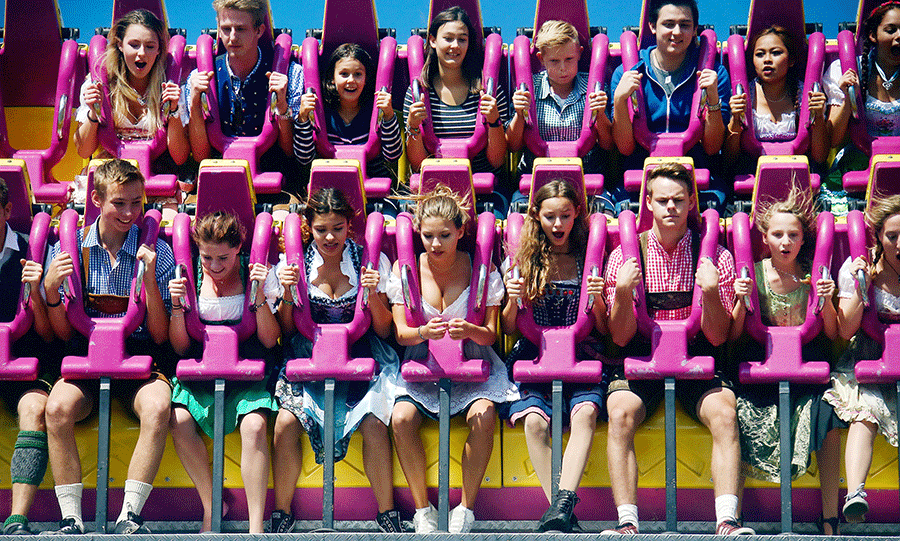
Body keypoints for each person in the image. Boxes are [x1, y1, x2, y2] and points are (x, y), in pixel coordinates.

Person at [602, 162, 751, 535]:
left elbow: (717, 337)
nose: (671, 207)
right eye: (663, 200)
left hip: (697, 359)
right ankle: (627, 524)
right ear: (647, 203)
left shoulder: (715, 255)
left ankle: (727, 521)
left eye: (679, 200)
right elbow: (619, 338)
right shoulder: (625, 254)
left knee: (725, 413)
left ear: (691, 204)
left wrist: (713, 293)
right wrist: (621, 293)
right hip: (642, 359)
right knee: (619, 412)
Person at [42, 159, 175, 534]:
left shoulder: (157, 252)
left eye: (137, 202)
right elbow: (62, 334)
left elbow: (161, 335)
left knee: (158, 406)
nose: (130, 212)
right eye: (120, 202)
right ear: (97, 199)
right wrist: (52, 292)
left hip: (138, 358)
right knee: (57, 408)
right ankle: (71, 517)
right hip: (88, 358)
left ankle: (129, 515)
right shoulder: (69, 251)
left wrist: (149, 282)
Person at [270, 188, 406, 533]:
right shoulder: (294, 263)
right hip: (309, 354)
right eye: (321, 229)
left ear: (350, 226)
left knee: (375, 423)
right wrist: (287, 294)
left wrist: (372, 293)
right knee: (286, 422)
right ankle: (282, 510)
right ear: (309, 229)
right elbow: (285, 330)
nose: (329, 237)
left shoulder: (368, 260)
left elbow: (384, 328)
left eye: (337, 228)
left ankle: (387, 512)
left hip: (361, 352)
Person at [388, 185, 518, 533]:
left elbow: (491, 333)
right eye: (428, 236)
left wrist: (469, 331)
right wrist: (423, 334)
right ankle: (421, 509)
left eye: (445, 235)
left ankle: (466, 507)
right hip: (423, 360)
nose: (436, 244)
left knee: (484, 413)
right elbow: (401, 333)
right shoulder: (406, 270)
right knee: (400, 418)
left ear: (460, 231)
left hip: (474, 359)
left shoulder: (480, 270)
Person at [729, 186, 844, 535]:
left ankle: (829, 517)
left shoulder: (813, 275)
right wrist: (739, 302)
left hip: (804, 371)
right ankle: (735, 516)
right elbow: (734, 336)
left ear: (802, 239)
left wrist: (827, 301)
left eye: (792, 235)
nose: (785, 242)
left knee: (830, 414)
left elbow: (835, 333)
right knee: (735, 412)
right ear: (764, 238)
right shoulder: (755, 273)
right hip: (761, 370)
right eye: (777, 234)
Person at [500, 179, 608, 532]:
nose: (558, 225)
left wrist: (600, 299)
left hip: (580, 351)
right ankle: (562, 511)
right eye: (550, 217)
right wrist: (512, 299)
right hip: (535, 352)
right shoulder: (524, 259)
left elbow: (603, 327)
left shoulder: (586, 258)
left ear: (578, 214)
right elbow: (508, 327)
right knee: (534, 422)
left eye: (565, 215)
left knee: (586, 413)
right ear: (536, 216)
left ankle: (561, 507)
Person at [167, 211, 280, 533]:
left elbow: (270, 339)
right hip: (203, 369)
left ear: (239, 249)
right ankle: (212, 504)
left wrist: (258, 296)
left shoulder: (254, 273)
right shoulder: (188, 277)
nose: (215, 266)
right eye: (207, 258)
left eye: (224, 258)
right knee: (179, 420)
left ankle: (256, 526)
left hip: (248, 367)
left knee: (255, 426)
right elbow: (178, 347)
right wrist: (177, 306)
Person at [610, 0, 731, 210]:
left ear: (695, 30)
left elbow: (712, 147)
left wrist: (712, 99)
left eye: (684, 25)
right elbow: (625, 147)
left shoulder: (715, 73)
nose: (676, 32)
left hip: (697, 178)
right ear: (652, 26)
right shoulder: (625, 72)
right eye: (668, 24)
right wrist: (620, 100)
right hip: (639, 177)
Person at [827, 194, 900, 525]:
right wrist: (861, 288)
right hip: (868, 359)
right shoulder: (860, 267)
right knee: (865, 412)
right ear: (879, 237)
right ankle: (856, 493)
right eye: (893, 236)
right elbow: (845, 329)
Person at [182, 0, 302, 191]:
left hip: (276, 184)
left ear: (259, 30)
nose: (232, 37)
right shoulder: (199, 77)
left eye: (241, 29)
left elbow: (288, 151)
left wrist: (282, 107)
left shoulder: (289, 73)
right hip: (217, 179)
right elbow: (200, 154)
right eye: (226, 29)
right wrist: (195, 103)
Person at [0, 179, 59, 535]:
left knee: (35, 410)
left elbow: (48, 333)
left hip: (26, 362)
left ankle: (17, 519)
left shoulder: (31, 252)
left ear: (7, 211)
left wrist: (36, 293)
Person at [505, 21, 613, 208]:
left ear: (579, 53)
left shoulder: (593, 86)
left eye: (569, 59)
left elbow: (608, 144)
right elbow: (513, 145)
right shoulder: (529, 87)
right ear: (541, 58)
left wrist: (600, 114)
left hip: (586, 177)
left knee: (606, 213)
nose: (563, 68)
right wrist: (519, 114)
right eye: (554, 61)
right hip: (536, 179)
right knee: (518, 215)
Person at [403, 7, 509, 192]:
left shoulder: (488, 91)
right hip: (434, 191)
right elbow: (418, 163)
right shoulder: (417, 93)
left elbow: (497, 160)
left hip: (483, 192)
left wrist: (494, 120)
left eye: (462, 39)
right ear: (433, 41)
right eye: (448, 38)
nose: (455, 46)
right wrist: (413, 126)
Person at [75, 9, 189, 170]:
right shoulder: (99, 84)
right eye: (134, 45)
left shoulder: (171, 86)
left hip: (156, 171)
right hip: (111, 172)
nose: (141, 53)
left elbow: (180, 157)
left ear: (159, 50)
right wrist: (94, 113)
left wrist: (174, 110)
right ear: (120, 45)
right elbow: (83, 150)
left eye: (150, 46)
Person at [823, 1, 900, 213]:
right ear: (874, 36)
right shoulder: (848, 68)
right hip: (859, 164)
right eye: (891, 30)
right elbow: (833, 138)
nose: (899, 35)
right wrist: (849, 97)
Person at [293, 43, 402, 184]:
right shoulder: (321, 112)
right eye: (344, 74)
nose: (351, 80)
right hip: (329, 185)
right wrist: (303, 118)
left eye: (358, 74)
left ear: (366, 78)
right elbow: (304, 157)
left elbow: (393, 155)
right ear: (332, 78)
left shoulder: (375, 111)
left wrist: (388, 116)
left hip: (372, 182)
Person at [726, 26, 828, 165]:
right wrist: (736, 120)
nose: (767, 59)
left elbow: (820, 157)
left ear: (791, 60)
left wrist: (818, 116)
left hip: (798, 170)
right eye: (760, 54)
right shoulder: (743, 95)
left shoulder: (806, 94)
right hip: (752, 172)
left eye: (776, 53)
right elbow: (729, 159)